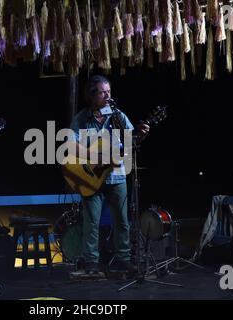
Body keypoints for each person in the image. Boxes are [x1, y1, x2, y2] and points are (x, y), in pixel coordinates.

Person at [70, 75, 150, 275]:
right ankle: (91, 263)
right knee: (92, 222)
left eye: (109, 92)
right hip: (90, 177)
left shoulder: (118, 116)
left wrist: (141, 134)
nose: (107, 96)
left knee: (122, 220)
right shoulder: (81, 119)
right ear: (91, 95)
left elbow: (132, 141)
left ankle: (123, 259)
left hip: (116, 175)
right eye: (102, 92)